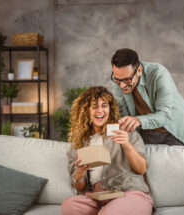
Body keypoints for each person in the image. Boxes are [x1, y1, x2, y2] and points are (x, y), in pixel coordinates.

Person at [61, 86, 153, 215]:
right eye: (94, 106)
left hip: (127, 193)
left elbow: (141, 168)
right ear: (85, 111)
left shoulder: (125, 132)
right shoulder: (78, 144)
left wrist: (127, 144)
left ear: (110, 109)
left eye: (104, 105)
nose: (100, 111)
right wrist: (80, 173)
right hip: (96, 197)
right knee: (69, 206)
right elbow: (79, 186)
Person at [111, 48, 184, 146]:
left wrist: (138, 120)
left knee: (173, 160)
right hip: (147, 131)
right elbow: (123, 112)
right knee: (142, 159)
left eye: (127, 80)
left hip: (174, 129)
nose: (121, 85)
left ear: (139, 70)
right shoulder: (117, 79)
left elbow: (164, 115)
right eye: (118, 80)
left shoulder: (158, 73)